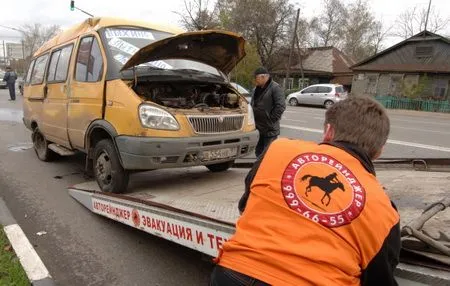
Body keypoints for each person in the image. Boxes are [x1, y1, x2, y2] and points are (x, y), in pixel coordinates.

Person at [211, 96, 401, 286]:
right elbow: (379, 279)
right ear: (379, 151)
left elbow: (245, 205)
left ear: (328, 132)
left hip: (233, 273)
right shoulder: (384, 210)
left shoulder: (278, 149)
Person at [250, 67, 286, 158]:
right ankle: (259, 170)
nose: (255, 80)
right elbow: (253, 104)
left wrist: (271, 120)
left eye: (256, 78)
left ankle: (267, 171)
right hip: (259, 128)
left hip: (270, 129)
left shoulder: (275, 88)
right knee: (258, 152)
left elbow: (281, 106)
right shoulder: (255, 89)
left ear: (263, 77)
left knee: (268, 154)